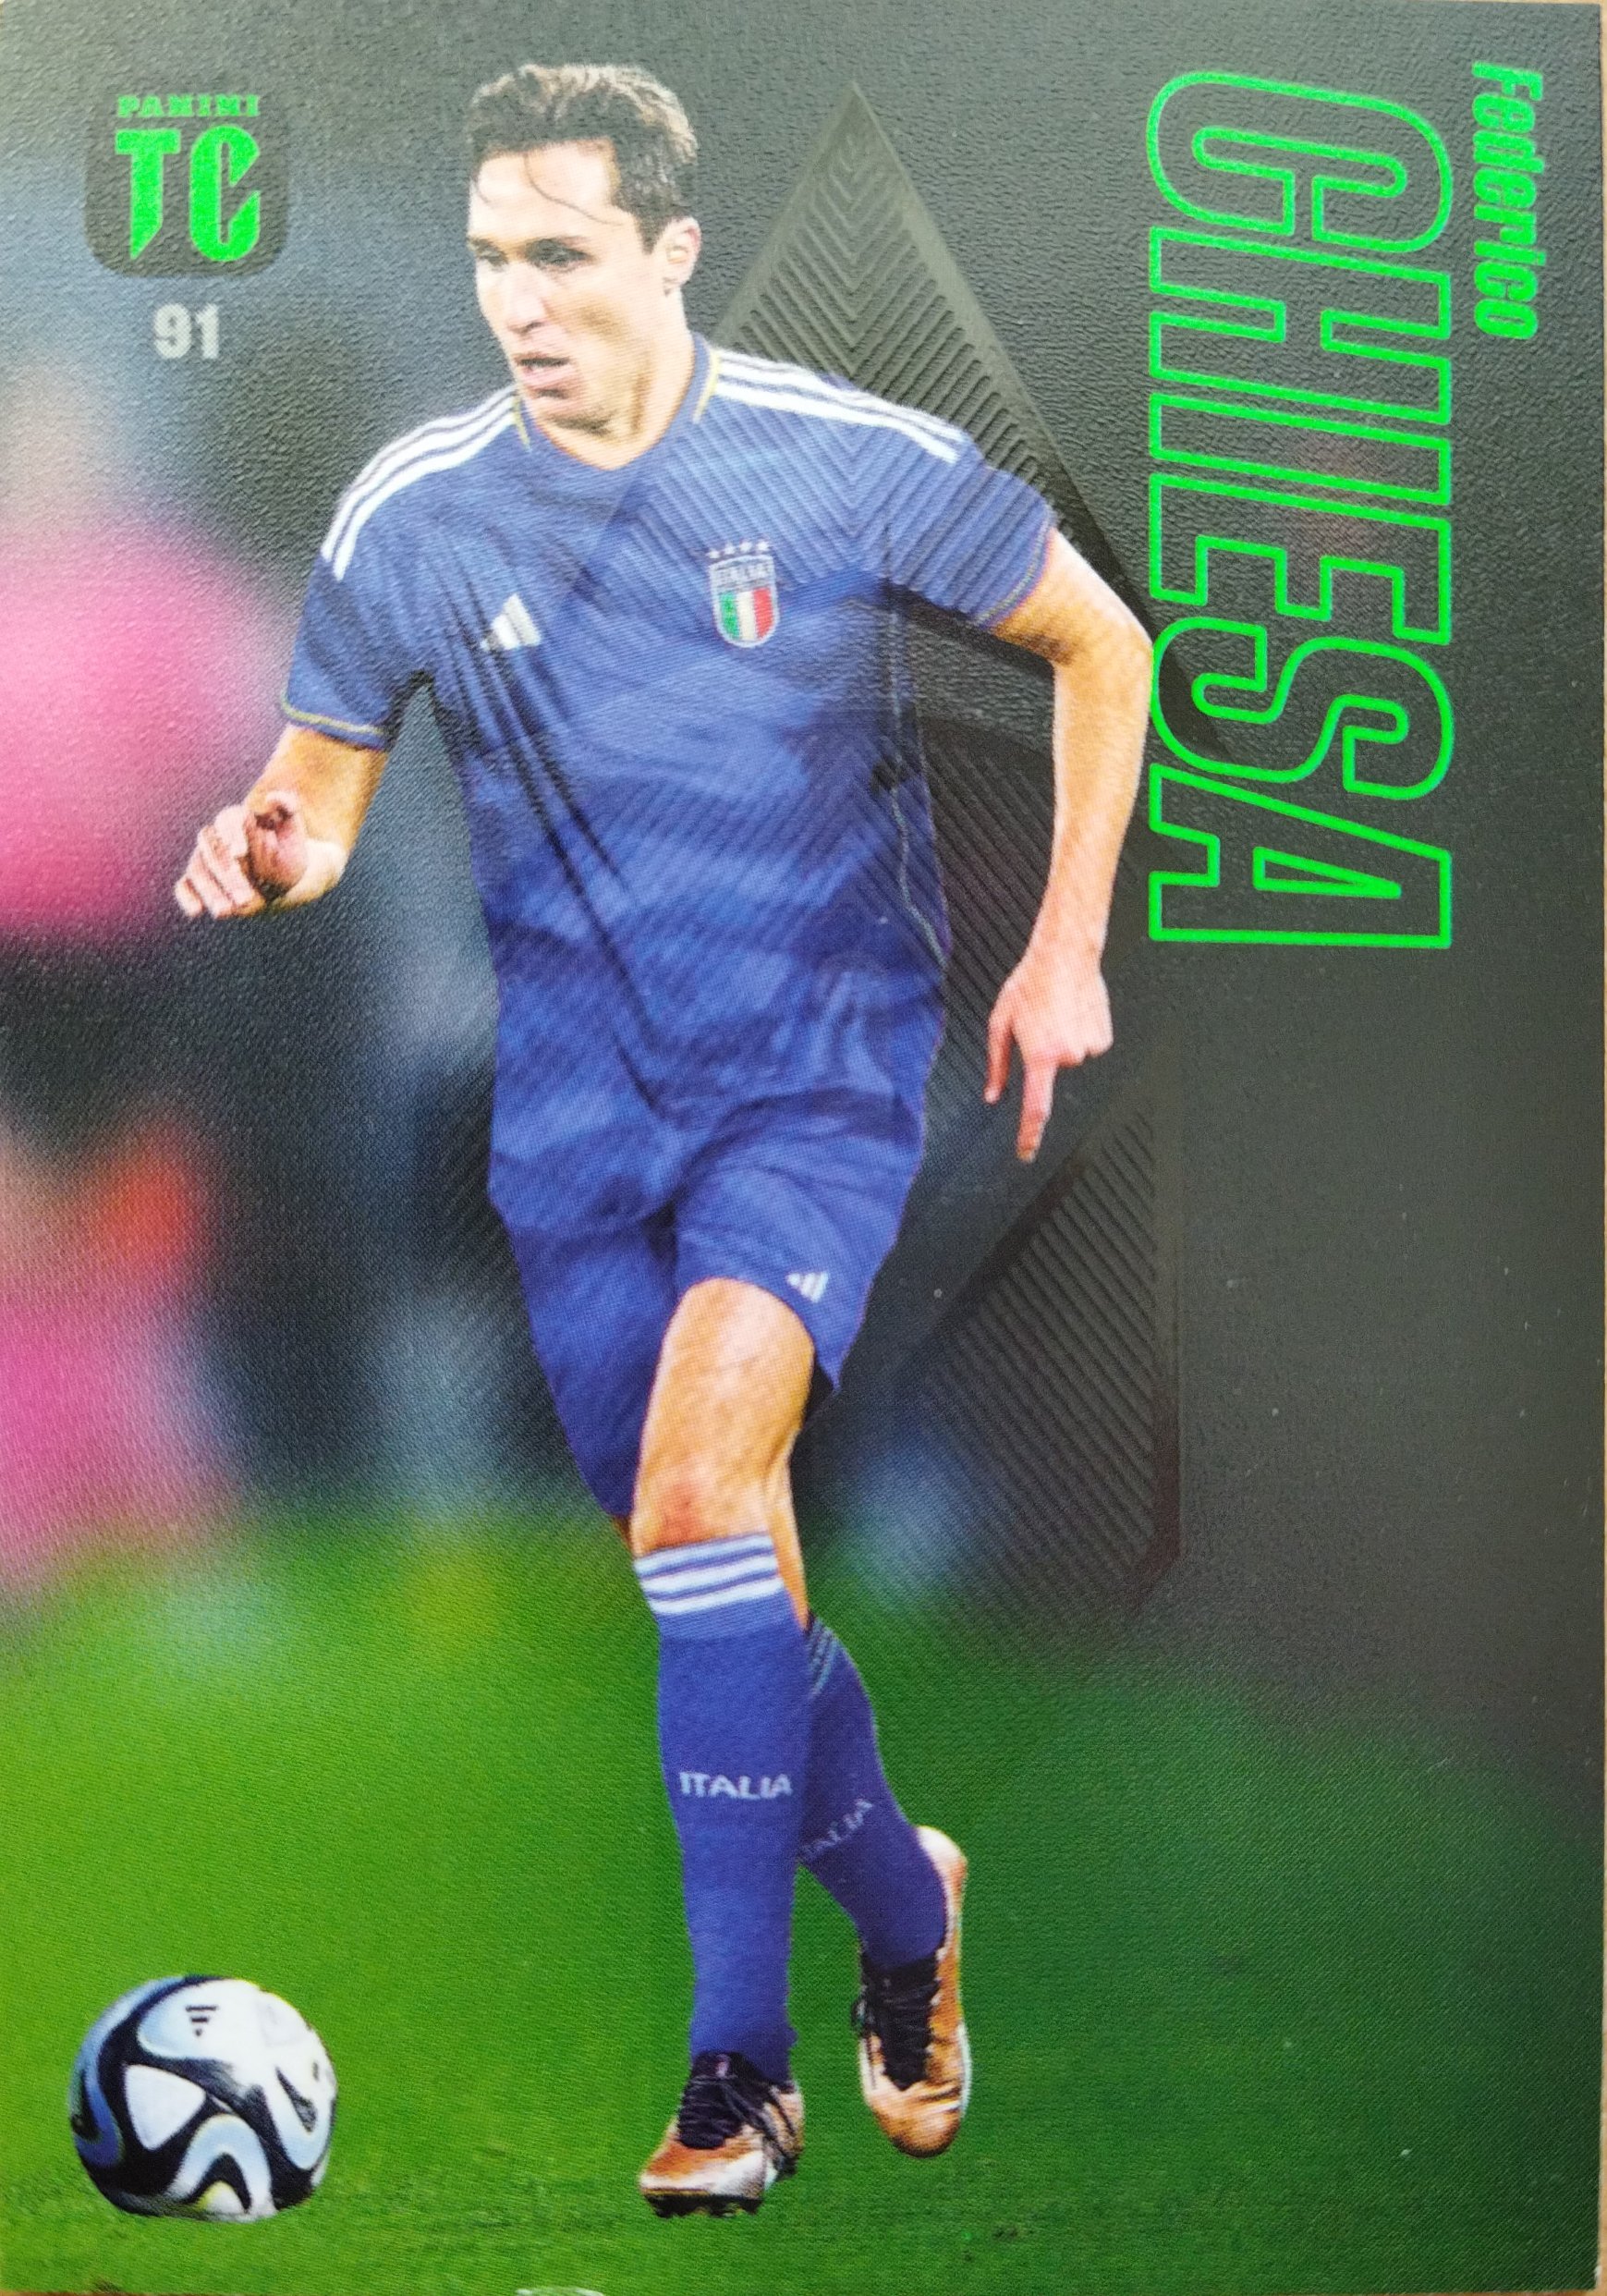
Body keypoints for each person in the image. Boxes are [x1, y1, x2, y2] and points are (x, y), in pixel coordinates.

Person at [176, 61, 1152, 2217]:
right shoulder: (418, 513)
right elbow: (315, 797)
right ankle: (902, 1901)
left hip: (811, 1084)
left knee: (708, 1497)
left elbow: (1100, 639)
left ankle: (739, 2078)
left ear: (672, 251)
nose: (520, 301)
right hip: (575, 1134)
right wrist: (266, 849)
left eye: (562, 253)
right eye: (490, 259)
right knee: (712, 1579)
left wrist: (1065, 941)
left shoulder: (837, 462)